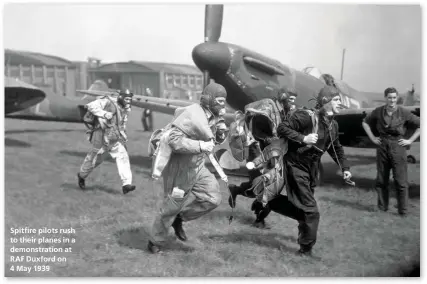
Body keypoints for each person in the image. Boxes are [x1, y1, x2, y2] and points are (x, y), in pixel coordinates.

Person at [269, 85, 352, 257]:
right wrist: (303, 138)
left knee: (302, 209)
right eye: (336, 100)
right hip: (296, 165)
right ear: (325, 101)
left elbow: (336, 148)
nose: (340, 103)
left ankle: (270, 202)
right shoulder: (306, 116)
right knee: (311, 210)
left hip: (312, 169)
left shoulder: (333, 124)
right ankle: (305, 250)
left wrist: (345, 168)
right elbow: (282, 128)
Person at [148, 82, 228, 254]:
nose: (222, 105)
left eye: (224, 101)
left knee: (212, 198)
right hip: (180, 169)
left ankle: (180, 218)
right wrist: (200, 145)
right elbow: (174, 140)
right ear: (208, 100)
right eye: (219, 101)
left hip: (197, 165)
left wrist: (219, 134)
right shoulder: (192, 114)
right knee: (172, 206)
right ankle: (155, 241)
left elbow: (209, 139)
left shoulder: (212, 115)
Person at [227, 86, 298, 229]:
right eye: (290, 100)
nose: (292, 103)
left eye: (293, 100)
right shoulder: (267, 108)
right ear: (283, 98)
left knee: (267, 186)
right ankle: (259, 219)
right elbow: (256, 130)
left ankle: (237, 191)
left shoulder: (285, 112)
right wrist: (269, 139)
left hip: (273, 152)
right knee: (264, 185)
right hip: (257, 150)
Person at [362, 87, 420, 216]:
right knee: (382, 180)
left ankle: (403, 211)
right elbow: (365, 122)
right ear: (385, 98)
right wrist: (372, 138)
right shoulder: (378, 111)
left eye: (394, 97)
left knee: (400, 181)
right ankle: (382, 208)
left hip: (398, 146)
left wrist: (410, 141)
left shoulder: (404, 112)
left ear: (397, 98)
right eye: (389, 97)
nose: (392, 100)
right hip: (382, 146)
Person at [77, 89, 136, 195]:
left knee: (123, 157)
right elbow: (91, 106)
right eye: (127, 99)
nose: (129, 101)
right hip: (100, 136)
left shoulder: (125, 109)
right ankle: (81, 175)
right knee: (94, 160)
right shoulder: (108, 101)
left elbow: (121, 124)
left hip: (115, 137)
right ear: (121, 97)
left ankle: (126, 184)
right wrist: (104, 114)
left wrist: (123, 136)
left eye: (130, 99)